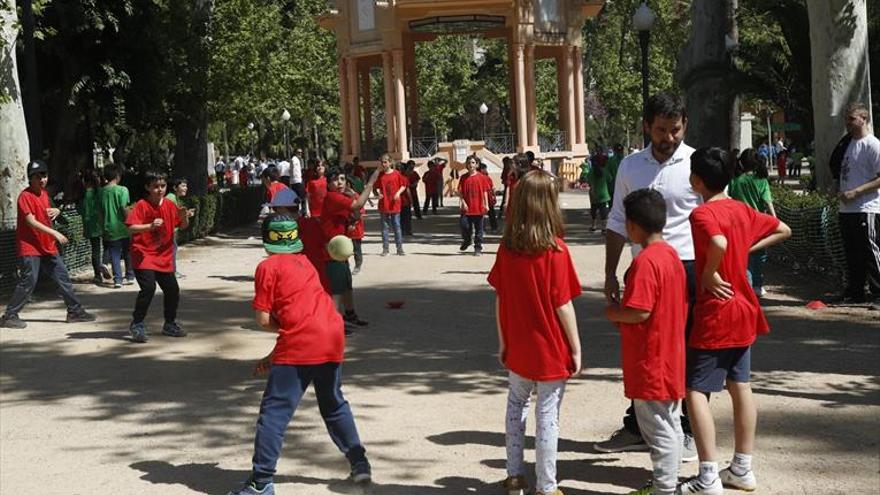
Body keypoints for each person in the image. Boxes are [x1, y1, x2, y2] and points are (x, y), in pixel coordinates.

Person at [226, 213, 371, 495]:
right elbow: (306, 318)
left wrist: (288, 340)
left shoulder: (267, 267)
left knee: (274, 414)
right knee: (334, 404)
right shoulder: (304, 262)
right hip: (332, 334)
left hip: (304, 341)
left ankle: (261, 483)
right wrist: (275, 356)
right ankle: (359, 463)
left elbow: (264, 320)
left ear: (266, 240)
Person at [677, 147, 791, 494]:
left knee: (694, 390)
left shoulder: (702, 214)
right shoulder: (741, 209)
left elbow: (718, 240)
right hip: (744, 306)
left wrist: (709, 272)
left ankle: (708, 476)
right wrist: (746, 249)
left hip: (716, 309)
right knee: (740, 386)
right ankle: (742, 467)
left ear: (696, 180)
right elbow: (783, 229)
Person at [599, 92, 701, 461]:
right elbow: (616, 221)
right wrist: (610, 272)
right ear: (647, 126)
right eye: (661, 130)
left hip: (686, 270)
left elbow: (714, 220)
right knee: (641, 349)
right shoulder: (629, 166)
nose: (668, 137)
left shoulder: (696, 164)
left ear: (684, 126)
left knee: (682, 350)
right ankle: (638, 426)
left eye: (675, 130)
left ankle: (685, 428)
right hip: (642, 268)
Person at [488, 170, 582, 495]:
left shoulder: (507, 249)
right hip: (550, 348)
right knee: (547, 416)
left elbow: (500, 299)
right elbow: (563, 306)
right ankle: (547, 484)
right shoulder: (556, 251)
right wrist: (576, 348)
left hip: (519, 346)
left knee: (516, 406)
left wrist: (503, 341)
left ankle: (515, 476)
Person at [604, 189, 688, 495]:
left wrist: (613, 311)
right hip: (670, 355)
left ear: (632, 226)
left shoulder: (646, 262)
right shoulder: (671, 256)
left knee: (658, 428)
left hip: (651, 359)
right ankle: (669, 482)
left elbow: (639, 312)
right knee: (671, 423)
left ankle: (665, 488)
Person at [0, 161, 97, 329]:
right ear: (30, 179)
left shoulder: (44, 195)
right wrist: (55, 233)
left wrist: (58, 210)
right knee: (29, 280)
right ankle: (9, 315)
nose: (42, 180)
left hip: (47, 246)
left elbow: (49, 212)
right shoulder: (25, 196)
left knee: (63, 277)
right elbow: (31, 221)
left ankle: (74, 311)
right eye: (38, 177)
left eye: (44, 176)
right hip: (30, 247)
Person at [125, 171, 191, 343]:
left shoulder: (170, 205)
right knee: (148, 288)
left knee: (172, 290)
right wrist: (149, 226)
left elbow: (182, 225)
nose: (160, 190)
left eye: (162, 186)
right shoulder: (141, 205)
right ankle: (137, 324)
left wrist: (184, 217)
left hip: (163, 255)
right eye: (155, 186)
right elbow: (131, 227)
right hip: (143, 253)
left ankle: (169, 324)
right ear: (147, 187)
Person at [832, 102, 880, 308]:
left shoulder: (873, 145)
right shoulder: (847, 144)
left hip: (867, 207)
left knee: (870, 250)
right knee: (851, 252)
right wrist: (838, 188)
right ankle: (855, 291)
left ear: (863, 119)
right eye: (846, 119)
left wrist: (857, 192)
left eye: (851, 119)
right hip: (847, 208)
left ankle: (878, 291)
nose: (848, 123)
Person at [322, 166, 379, 328]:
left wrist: (353, 216)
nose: (339, 183)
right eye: (334, 180)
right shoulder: (333, 197)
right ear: (328, 184)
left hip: (340, 251)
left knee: (346, 286)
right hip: (332, 253)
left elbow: (356, 213)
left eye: (341, 179)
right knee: (337, 290)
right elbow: (358, 205)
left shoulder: (341, 196)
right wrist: (370, 183)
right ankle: (334, 324)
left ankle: (350, 315)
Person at [729, 149, 776, 297]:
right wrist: (775, 221)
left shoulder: (735, 180)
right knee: (759, 257)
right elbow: (768, 203)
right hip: (758, 224)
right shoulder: (761, 180)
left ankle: (746, 286)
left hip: (738, 224)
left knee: (744, 257)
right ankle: (757, 285)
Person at [101, 164, 134, 289]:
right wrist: (130, 222)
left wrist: (102, 226)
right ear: (117, 176)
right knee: (127, 251)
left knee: (114, 254)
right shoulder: (123, 190)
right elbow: (124, 207)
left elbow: (100, 212)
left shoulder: (101, 192)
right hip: (123, 227)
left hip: (108, 227)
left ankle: (118, 279)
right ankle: (130, 276)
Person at [373, 153, 408, 256]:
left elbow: (403, 185)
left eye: (385, 162)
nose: (383, 164)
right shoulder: (380, 175)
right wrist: (377, 194)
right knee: (384, 228)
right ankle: (385, 249)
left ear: (390, 162)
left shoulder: (396, 174)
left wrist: (398, 193)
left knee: (397, 226)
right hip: (384, 205)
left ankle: (399, 248)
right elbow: (374, 187)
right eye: (382, 162)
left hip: (394, 205)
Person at [458, 156, 491, 256]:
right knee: (464, 225)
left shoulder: (482, 177)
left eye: (473, 163)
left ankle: (478, 248)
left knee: (479, 230)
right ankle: (467, 240)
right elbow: (460, 192)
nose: (470, 165)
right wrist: (462, 203)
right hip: (467, 208)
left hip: (478, 208)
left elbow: (485, 191)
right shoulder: (463, 177)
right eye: (468, 163)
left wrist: (486, 204)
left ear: (477, 164)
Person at [77, 168, 105, 285]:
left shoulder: (82, 195)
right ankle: (104, 266)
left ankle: (97, 274)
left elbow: (79, 210)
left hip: (88, 226)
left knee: (95, 250)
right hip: (101, 224)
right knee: (107, 246)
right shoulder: (99, 193)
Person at [165, 178, 195, 277]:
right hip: (168, 230)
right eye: (183, 186)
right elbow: (171, 215)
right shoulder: (171, 198)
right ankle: (171, 272)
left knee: (173, 248)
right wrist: (185, 214)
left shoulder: (173, 197)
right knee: (172, 249)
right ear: (175, 187)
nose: (185, 188)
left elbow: (175, 214)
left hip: (171, 229)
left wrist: (186, 214)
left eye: (186, 186)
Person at [587, 155, 612, 232]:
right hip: (604, 194)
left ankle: (593, 226)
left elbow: (589, 182)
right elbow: (610, 179)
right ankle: (604, 228)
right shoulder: (605, 171)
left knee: (593, 210)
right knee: (603, 211)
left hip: (594, 194)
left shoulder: (591, 171)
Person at [478, 161, 498, 232]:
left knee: (481, 214)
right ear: (481, 169)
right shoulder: (486, 177)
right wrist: (494, 196)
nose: (486, 170)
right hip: (488, 198)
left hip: (481, 198)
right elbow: (491, 188)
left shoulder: (479, 177)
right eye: (485, 169)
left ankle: (482, 228)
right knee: (491, 213)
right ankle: (494, 227)